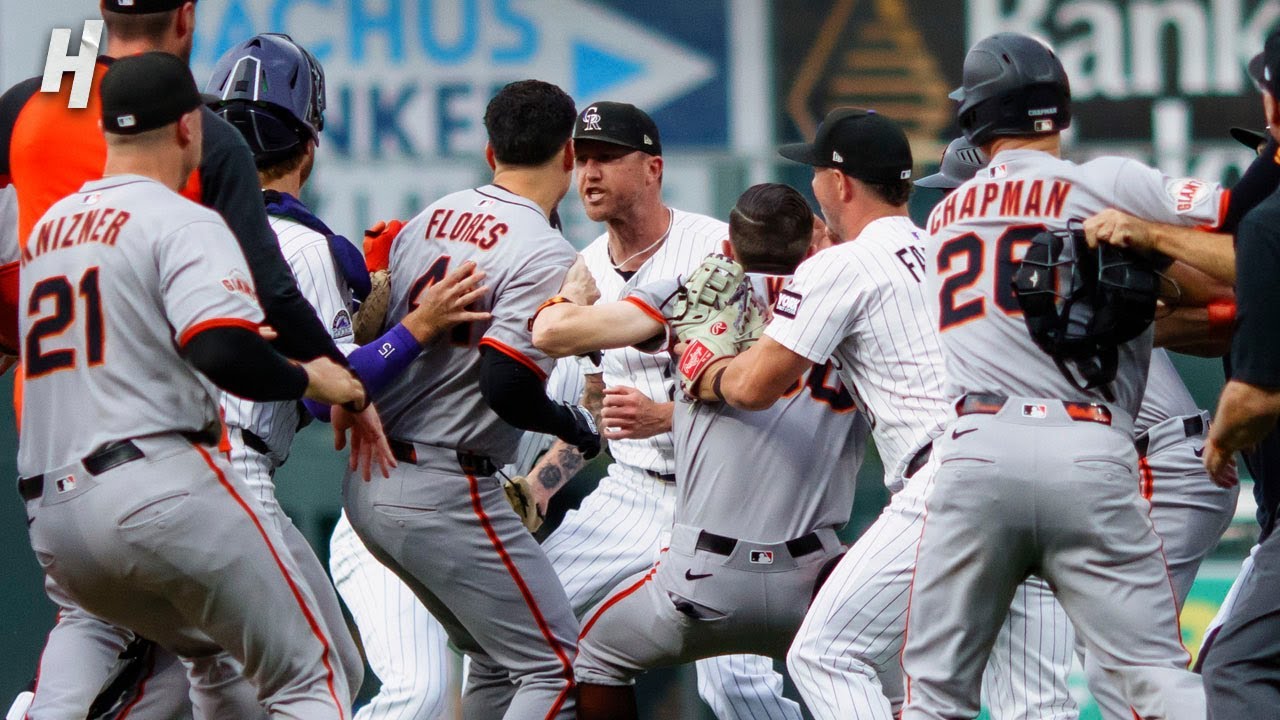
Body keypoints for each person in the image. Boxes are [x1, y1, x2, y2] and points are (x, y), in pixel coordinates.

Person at [681, 107, 1075, 720]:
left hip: (955, 476)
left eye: (816, 172)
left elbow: (755, 387)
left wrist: (704, 369)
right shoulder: (949, 251)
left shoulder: (840, 267)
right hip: (1044, 466)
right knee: (1034, 702)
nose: (812, 185)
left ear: (840, 184)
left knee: (825, 655)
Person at [19, 51, 364, 719]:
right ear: (187, 128)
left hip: (54, 516)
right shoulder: (183, 219)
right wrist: (305, 372)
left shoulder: (47, 232)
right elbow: (222, 348)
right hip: (159, 488)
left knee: (207, 656)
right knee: (312, 677)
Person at [899, 32, 1229, 719]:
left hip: (975, 452)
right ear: (1063, 111)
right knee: (1148, 679)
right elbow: (1246, 224)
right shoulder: (1103, 181)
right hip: (1091, 447)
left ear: (974, 120)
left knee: (936, 694)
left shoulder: (945, 217)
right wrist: (1158, 264)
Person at [203, 32, 498, 720]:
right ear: (309, 144)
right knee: (320, 681)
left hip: (160, 465)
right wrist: (414, 327)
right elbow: (321, 393)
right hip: (235, 477)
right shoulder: (305, 248)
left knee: (232, 677)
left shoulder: (182, 230)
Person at [529, 182, 868, 720]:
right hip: (817, 569)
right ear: (810, 247)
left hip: (707, 569)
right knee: (885, 683)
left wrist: (565, 298)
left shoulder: (694, 288)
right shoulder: (846, 300)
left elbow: (555, 333)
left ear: (728, 250)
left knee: (594, 655)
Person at [507, 100, 797, 720]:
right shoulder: (582, 269)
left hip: (724, 497)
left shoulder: (717, 248)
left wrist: (668, 417)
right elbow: (594, 412)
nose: (589, 173)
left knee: (738, 689)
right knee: (527, 630)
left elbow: (771, 386)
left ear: (653, 168)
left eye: (608, 158)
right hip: (632, 492)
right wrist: (543, 484)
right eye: (582, 160)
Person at [343, 79, 599, 720]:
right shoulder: (546, 250)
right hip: (445, 485)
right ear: (569, 156)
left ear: (491, 153)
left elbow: (369, 333)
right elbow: (505, 383)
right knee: (559, 670)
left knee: (497, 657)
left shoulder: (428, 218)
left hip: (370, 482)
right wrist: (574, 423)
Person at [1200, 30, 1280, 717]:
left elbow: (1255, 395)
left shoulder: (1267, 228)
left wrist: (1221, 441)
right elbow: (1215, 316)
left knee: (1232, 668)